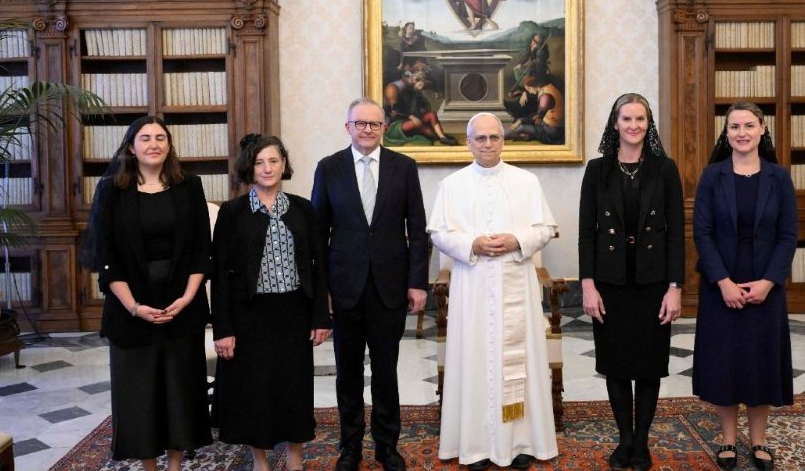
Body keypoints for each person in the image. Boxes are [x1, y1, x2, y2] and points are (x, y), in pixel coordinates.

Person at [428, 112, 558, 470]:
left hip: (517, 283)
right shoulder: (451, 186)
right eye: (480, 138)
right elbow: (438, 233)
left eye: (494, 137)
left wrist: (518, 239)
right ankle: (476, 446)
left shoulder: (526, 181)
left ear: (504, 140)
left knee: (519, 364)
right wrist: (473, 244)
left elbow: (546, 227)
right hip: (472, 289)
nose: (487, 144)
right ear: (468, 142)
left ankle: (520, 442)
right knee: (474, 362)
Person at [311, 98, 429, 471]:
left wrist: (417, 283)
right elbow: (317, 234)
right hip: (343, 287)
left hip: (389, 287)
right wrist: (321, 290)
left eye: (374, 124)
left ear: (383, 128)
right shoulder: (329, 168)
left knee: (386, 370)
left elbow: (417, 230)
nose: (366, 130)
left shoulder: (404, 167)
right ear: (347, 127)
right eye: (359, 123)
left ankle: (386, 444)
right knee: (347, 372)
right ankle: (349, 447)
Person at [93, 116, 212, 471]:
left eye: (161, 137)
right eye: (145, 138)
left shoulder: (190, 186)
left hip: (182, 302)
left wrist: (189, 297)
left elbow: (201, 249)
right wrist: (134, 307)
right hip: (131, 307)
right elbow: (106, 257)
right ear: (131, 147)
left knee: (180, 391)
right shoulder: (111, 190)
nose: (154, 144)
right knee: (139, 394)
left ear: (169, 145)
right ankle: (150, 466)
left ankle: (175, 464)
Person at [210, 134, 331, 471]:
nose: (267, 168)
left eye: (273, 161)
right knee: (255, 393)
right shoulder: (232, 213)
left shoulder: (303, 208)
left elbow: (317, 266)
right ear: (250, 167)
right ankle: (259, 458)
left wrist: (321, 316)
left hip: (294, 312)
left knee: (294, 389)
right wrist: (223, 328)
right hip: (248, 316)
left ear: (283, 165)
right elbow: (219, 274)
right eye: (260, 162)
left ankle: (294, 455)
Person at [578, 93, 685, 470]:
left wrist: (675, 287)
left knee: (650, 365)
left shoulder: (665, 168)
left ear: (648, 124)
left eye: (641, 119)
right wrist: (587, 285)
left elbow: (675, 232)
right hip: (610, 282)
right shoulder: (597, 170)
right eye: (627, 119)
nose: (634, 125)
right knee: (616, 363)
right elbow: (586, 233)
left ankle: (642, 445)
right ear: (615, 123)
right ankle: (624, 439)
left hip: (653, 281)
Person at [693, 101, 797, 471]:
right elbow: (701, 233)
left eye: (749, 126)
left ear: (763, 129)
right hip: (720, 283)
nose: (741, 133)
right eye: (734, 127)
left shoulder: (779, 177)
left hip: (765, 287)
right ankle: (727, 439)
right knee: (725, 362)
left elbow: (788, 235)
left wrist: (770, 281)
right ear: (726, 133)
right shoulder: (712, 175)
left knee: (760, 362)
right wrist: (723, 281)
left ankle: (759, 440)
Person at [383, 68, 458, 146]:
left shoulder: (414, 92)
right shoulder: (399, 90)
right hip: (397, 123)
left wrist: (417, 93)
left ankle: (442, 137)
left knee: (431, 114)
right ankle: (437, 137)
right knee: (421, 126)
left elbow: (422, 107)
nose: (419, 83)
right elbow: (395, 111)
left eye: (419, 80)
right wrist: (411, 116)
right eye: (417, 79)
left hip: (413, 118)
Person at [504, 75, 564, 145]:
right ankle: (507, 135)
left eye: (529, 89)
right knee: (521, 124)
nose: (529, 92)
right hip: (548, 124)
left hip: (552, 130)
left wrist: (520, 121)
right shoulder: (547, 88)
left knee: (521, 127)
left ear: (534, 85)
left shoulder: (545, 97)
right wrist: (523, 93)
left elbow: (537, 118)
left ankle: (501, 136)